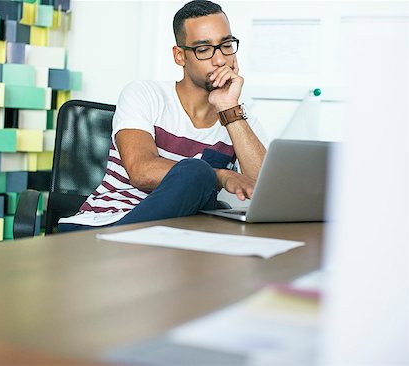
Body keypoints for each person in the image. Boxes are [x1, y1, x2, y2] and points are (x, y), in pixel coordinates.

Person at [58, 0, 268, 232]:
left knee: (214, 208)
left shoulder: (238, 120)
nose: (220, 60)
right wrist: (220, 176)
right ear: (179, 56)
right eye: (203, 49)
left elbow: (266, 191)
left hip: (173, 236)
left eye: (226, 45)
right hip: (104, 225)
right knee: (197, 172)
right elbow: (141, 170)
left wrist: (229, 109)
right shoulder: (144, 94)